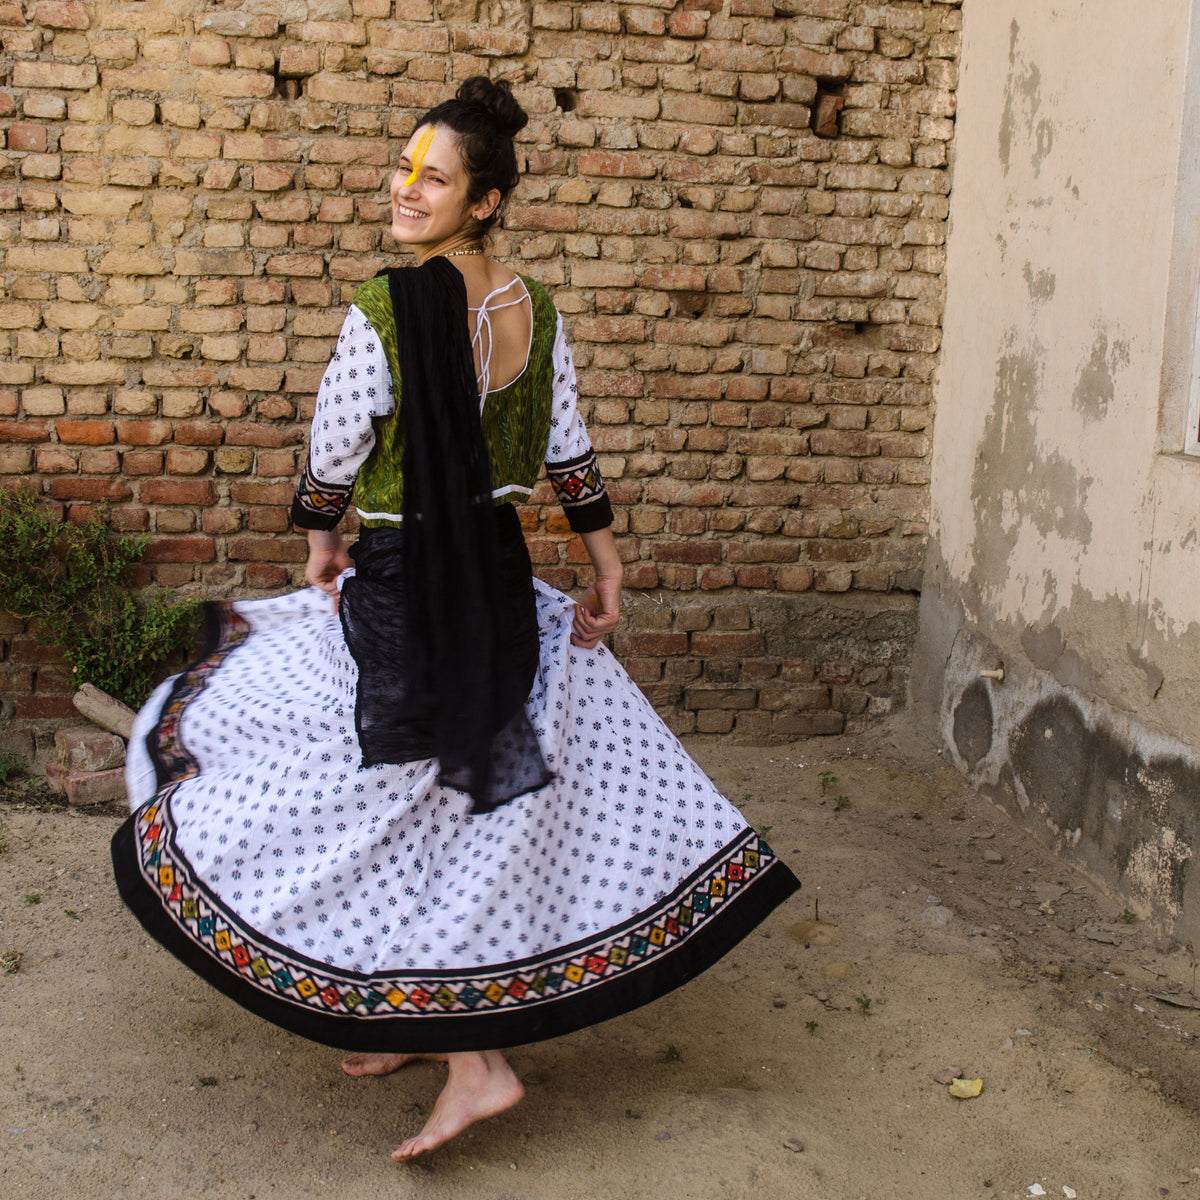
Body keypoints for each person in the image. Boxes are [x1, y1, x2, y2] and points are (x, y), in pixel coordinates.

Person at [112, 77, 799, 1162]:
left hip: (409, 590)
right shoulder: (537, 311)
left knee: (335, 787)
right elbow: (568, 454)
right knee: (436, 810)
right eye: (405, 170)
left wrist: (318, 540)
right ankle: (411, 1018)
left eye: (432, 179)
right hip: (498, 586)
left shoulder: (388, 307)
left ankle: (478, 1063)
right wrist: (607, 568)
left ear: (484, 201)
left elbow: (337, 445)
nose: (407, 189)